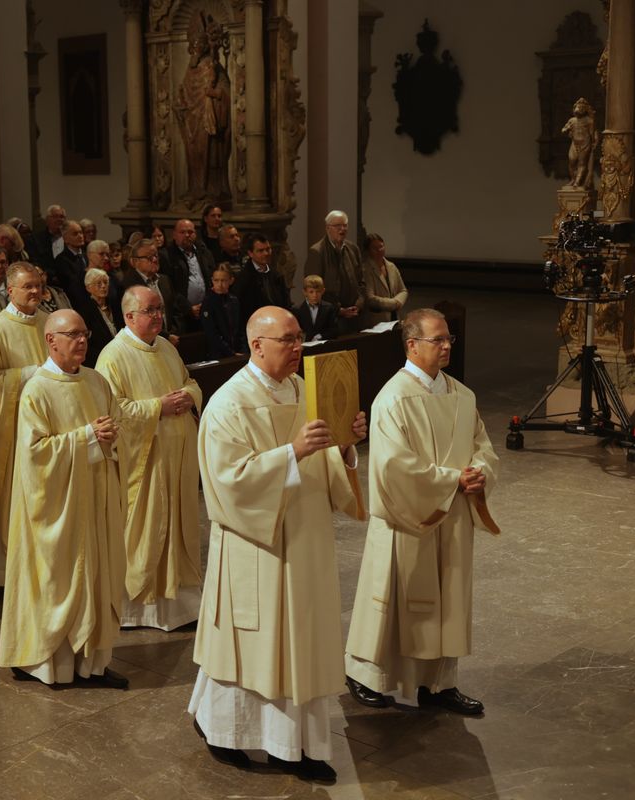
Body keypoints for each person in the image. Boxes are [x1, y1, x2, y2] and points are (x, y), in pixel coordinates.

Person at [189, 306, 366, 782]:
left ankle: (297, 743)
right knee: (253, 646)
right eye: (286, 340)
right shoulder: (228, 404)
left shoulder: (304, 390)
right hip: (258, 546)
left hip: (306, 541)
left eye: (299, 338)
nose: (297, 348)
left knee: (300, 643)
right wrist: (293, 452)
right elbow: (227, 483)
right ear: (257, 346)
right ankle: (229, 733)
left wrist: (345, 445)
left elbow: (327, 459)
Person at [344, 308, 498, 717]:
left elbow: (482, 445)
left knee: (448, 598)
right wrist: (452, 481)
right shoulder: (392, 399)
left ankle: (440, 683)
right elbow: (393, 467)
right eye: (437, 340)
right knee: (395, 598)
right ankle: (367, 676)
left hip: (454, 517)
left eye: (449, 339)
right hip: (407, 520)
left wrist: (480, 473)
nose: (447, 346)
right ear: (411, 345)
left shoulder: (462, 396)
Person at [0, 309, 128, 689]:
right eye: (72, 335)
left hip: (97, 500)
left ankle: (92, 664)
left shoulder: (97, 382)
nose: (82, 341)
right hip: (57, 507)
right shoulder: (37, 389)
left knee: (98, 575)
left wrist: (110, 438)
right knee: (59, 579)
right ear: (51, 340)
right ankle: (45, 661)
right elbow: (34, 455)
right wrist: (87, 437)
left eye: (84, 333)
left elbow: (117, 429)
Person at [96, 286, 203, 630]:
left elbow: (189, 381)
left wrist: (189, 396)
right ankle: (136, 608)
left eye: (160, 309)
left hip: (177, 456)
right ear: (129, 316)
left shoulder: (168, 347)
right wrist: (159, 407)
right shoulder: (113, 356)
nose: (158, 316)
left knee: (179, 525)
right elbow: (113, 410)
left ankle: (179, 607)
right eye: (150, 311)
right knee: (145, 530)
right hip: (144, 462)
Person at [0, 261, 48, 586]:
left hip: (48, 429)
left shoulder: (48, 322)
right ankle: (8, 575)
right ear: (9, 290)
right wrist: (32, 373)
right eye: (27, 286)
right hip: (13, 434)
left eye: (38, 285)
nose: (34, 292)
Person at [304, 210, 362, 333]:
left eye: (345, 225)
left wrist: (359, 304)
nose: (342, 229)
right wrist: (339, 310)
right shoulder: (317, 252)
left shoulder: (353, 249)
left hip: (355, 316)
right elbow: (313, 289)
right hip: (330, 319)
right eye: (337, 226)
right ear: (327, 228)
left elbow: (361, 282)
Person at [161, 219, 215, 333]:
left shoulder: (204, 252)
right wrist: (188, 308)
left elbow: (211, 279)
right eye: (182, 232)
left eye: (190, 232)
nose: (187, 235)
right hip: (181, 315)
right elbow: (169, 288)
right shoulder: (166, 256)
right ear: (174, 235)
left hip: (206, 310)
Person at [73, 267, 122, 366]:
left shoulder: (115, 305)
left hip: (121, 353)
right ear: (88, 288)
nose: (103, 286)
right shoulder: (84, 311)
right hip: (100, 359)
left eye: (105, 282)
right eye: (98, 283)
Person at [234, 235, 289, 321]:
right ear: (250, 253)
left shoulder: (277, 275)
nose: (266, 253)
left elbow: (285, 303)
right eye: (260, 251)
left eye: (268, 249)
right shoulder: (243, 278)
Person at [359, 233, 408, 329]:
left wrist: (398, 302)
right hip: (376, 321)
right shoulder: (365, 269)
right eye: (374, 248)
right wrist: (393, 304)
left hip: (395, 317)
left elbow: (403, 290)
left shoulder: (391, 266)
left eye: (381, 246)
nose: (379, 250)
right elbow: (370, 299)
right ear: (368, 250)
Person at [201, 265, 245, 358]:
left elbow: (240, 327)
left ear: (231, 281)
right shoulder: (208, 302)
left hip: (237, 350)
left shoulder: (234, 300)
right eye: (216, 280)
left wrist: (242, 349)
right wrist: (230, 353)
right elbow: (212, 332)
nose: (219, 284)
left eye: (223, 280)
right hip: (218, 353)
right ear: (212, 280)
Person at [294, 274, 339, 342]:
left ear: (323, 291)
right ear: (305, 292)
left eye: (318, 292)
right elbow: (295, 331)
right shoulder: (297, 309)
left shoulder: (329, 308)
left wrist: (320, 336)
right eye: (311, 292)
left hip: (324, 345)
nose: (315, 295)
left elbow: (334, 330)